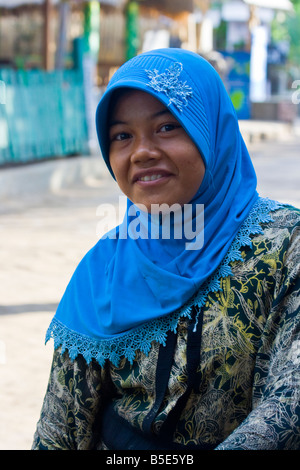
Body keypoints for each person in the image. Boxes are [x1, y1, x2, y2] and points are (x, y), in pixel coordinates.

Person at [32, 48, 300, 450]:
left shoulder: (284, 245)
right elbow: (60, 429)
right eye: (122, 136)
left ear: (212, 132)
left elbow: (289, 403)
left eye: (168, 127)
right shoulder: (103, 267)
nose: (141, 151)